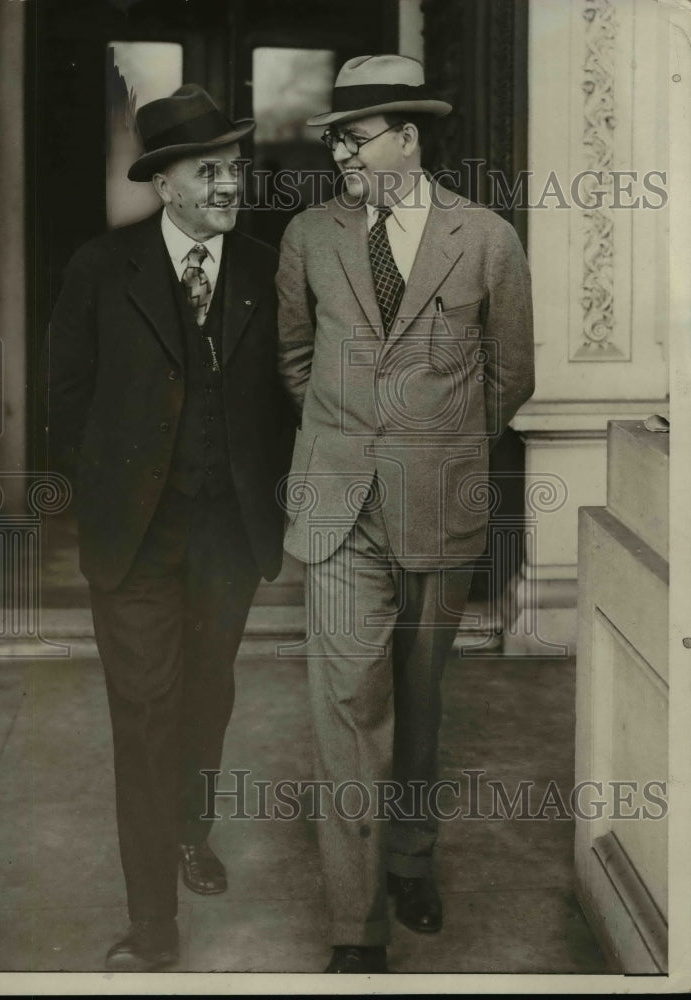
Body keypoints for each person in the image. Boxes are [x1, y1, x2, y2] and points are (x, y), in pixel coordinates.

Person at [276, 54, 535, 973]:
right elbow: (296, 363)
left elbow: (510, 377)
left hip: (438, 498)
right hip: (338, 504)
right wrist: (352, 439)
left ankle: (411, 860)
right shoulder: (310, 235)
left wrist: (437, 443)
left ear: (408, 136)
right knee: (348, 705)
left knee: (420, 704)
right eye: (337, 140)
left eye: (358, 137)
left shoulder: (488, 239)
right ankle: (356, 926)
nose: (343, 153)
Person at [45, 84, 292, 971]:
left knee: (206, 693)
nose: (231, 185)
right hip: (136, 538)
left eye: (235, 168)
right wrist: (108, 500)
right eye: (210, 170)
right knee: (146, 711)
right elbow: (65, 403)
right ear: (166, 183)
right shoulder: (100, 268)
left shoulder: (269, 270)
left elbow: (290, 402)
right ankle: (152, 922)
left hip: (229, 532)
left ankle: (193, 830)